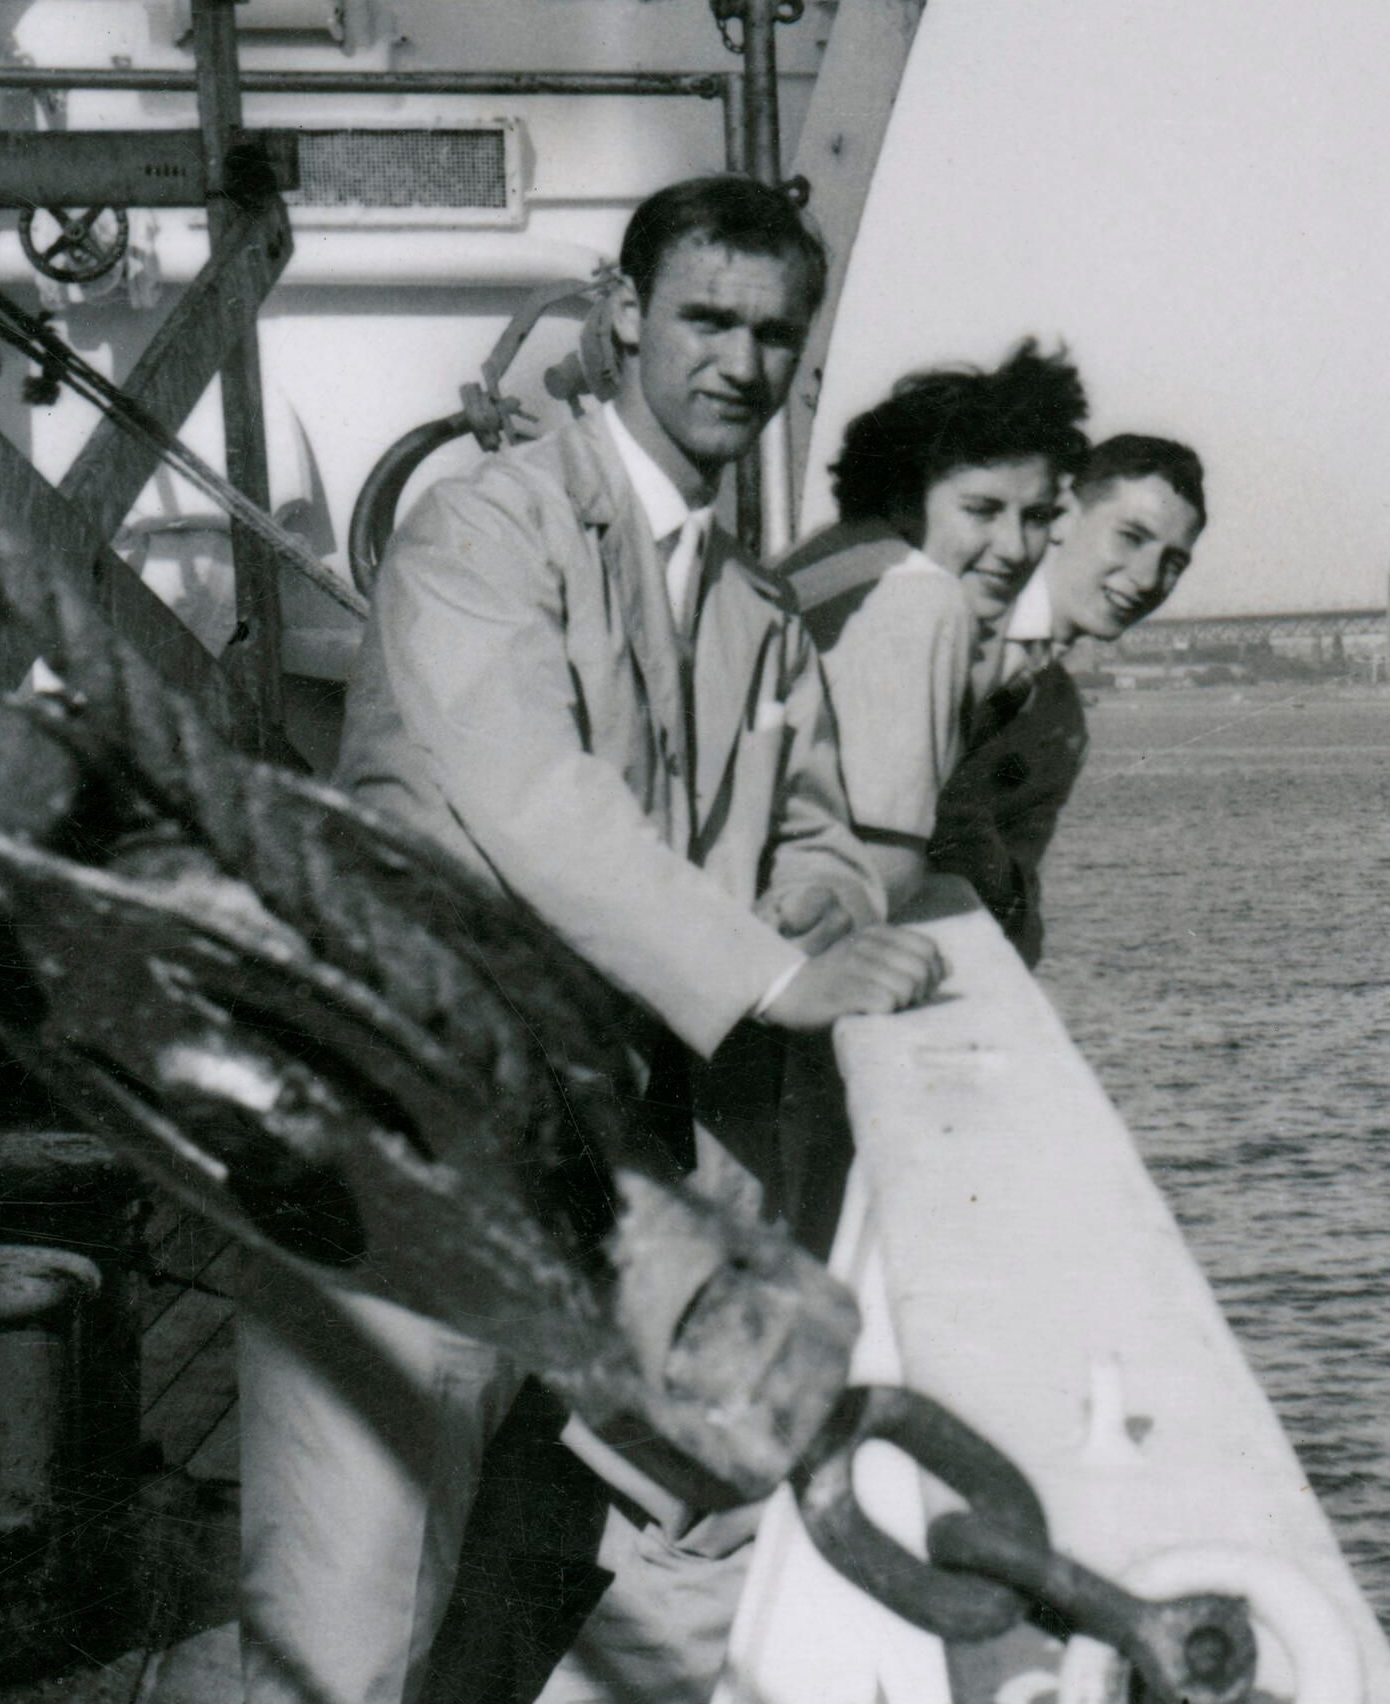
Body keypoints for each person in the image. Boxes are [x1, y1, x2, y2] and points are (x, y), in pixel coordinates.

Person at [238, 175, 943, 1704]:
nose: (739, 364)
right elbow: (530, 795)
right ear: (625, 318)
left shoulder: (751, 614)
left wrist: (823, 908)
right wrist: (772, 973)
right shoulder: (482, 535)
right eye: (705, 318)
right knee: (340, 1619)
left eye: (775, 334)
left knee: (533, 1568)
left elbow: (822, 839)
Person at [781, 342, 1090, 912]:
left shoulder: (825, 559)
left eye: (1037, 517)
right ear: (906, 498)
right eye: (981, 510)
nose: (1015, 548)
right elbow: (884, 873)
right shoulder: (924, 599)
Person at [930, 435, 1206, 964]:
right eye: (1130, 537)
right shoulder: (944, 619)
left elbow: (1016, 907)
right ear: (1062, 516)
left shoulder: (1060, 724)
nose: (1148, 578)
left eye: (1174, 562)